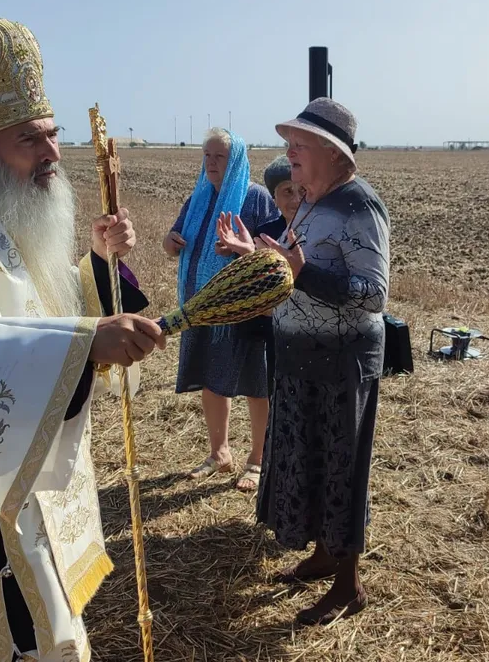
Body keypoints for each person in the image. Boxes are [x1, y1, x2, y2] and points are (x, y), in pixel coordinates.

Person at [0, 11, 165, 660]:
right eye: (31, 141)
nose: (52, 154)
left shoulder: (9, 228)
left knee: (50, 624)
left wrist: (100, 268)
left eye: (53, 136)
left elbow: (43, 308)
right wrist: (83, 342)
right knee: (20, 635)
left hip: (25, 479)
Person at [254, 98, 390, 625]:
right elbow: (296, 268)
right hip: (297, 357)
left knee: (341, 470)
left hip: (341, 364)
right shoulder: (310, 200)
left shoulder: (359, 206)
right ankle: (323, 554)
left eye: (299, 145)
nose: (289, 153)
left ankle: (347, 586)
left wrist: (302, 272)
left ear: (333, 154)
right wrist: (260, 259)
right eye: (290, 144)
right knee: (308, 462)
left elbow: (373, 293)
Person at [162, 129, 279, 491]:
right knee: (212, 380)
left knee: (255, 386)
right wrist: (170, 242)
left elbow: (275, 256)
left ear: (237, 161)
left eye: (220, 157)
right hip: (202, 308)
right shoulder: (197, 199)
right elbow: (173, 244)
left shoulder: (256, 198)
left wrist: (244, 250)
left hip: (244, 312)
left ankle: (258, 460)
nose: (211, 163)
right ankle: (220, 453)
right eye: (207, 156)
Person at [216, 154, 303, 416]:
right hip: (275, 331)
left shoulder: (320, 230)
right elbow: (259, 282)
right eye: (287, 192)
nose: (296, 199)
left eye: (302, 190)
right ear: (273, 199)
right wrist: (246, 253)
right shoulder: (265, 233)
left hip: (309, 333)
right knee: (276, 395)